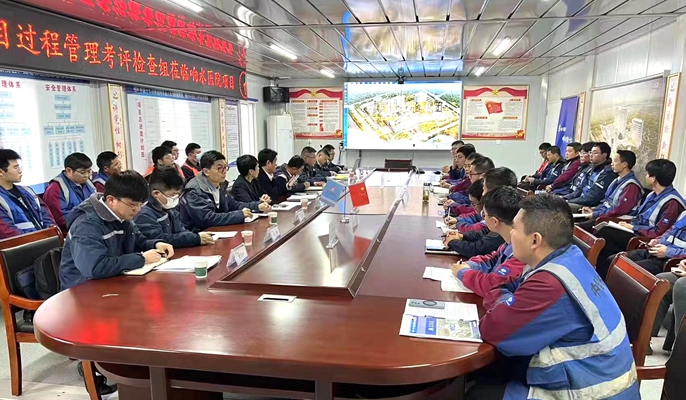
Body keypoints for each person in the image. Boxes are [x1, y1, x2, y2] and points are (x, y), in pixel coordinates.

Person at [466, 194, 638, 400]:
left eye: (515, 228)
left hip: (592, 391)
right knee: (491, 370)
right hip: (594, 375)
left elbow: (492, 330)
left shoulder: (550, 284)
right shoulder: (569, 257)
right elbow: (510, 288)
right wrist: (506, 298)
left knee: (478, 392)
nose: (511, 233)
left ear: (535, 240)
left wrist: (500, 297)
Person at [59, 170, 174, 290]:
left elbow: (138, 241)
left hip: (113, 282)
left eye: (140, 204)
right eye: (133, 205)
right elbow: (94, 268)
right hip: (82, 290)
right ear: (111, 200)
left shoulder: (122, 215)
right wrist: (141, 259)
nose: (137, 209)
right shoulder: (86, 225)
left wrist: (156, 244)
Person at [595, 159, 685, 280]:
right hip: (654, 245)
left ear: (653, 178)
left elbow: (658, 231)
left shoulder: (672, 202)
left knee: (609, 237)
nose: (645, 176)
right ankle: (599, 279)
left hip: (658, 249)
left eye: (647, 173)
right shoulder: (652, 195)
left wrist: (635, 228)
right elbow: (669, 232)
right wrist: (657, 241)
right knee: (609, 245)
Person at [450, 187, 526, 296]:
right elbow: (492, 259)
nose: (483, 219)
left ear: (495, 221)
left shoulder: (522, 253)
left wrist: (463, 273)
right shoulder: (508, 244)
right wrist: (470, 265)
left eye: (484, 215)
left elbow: (493, 285)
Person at [180, 151, 271, 232]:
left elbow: (234, 205)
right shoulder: (194, 191)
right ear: (206, 171)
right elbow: (207, 219)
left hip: (218, 231)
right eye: (220, 168)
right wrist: (239, 215)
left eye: (225, 167)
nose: (224, 171)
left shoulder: (220, 184)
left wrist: (257, 206)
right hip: (198, 236)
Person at [134, 166, 214, 248]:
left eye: (178, 195)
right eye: (173, 195)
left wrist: (196, 236)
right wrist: (195, 239)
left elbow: (180, 231)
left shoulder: (169, 208)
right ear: (156, 193)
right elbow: (159, 239)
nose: (176, 198)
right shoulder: (144, 214)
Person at [577, 150, 643, 232]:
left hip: (615, 220)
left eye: (615, 161)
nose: (612, 164)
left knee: (577, 226)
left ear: (624, 164)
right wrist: (593, 210)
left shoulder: (631, 186)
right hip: (603, 214)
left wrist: (595, 214)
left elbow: (619, 210)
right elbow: (606, 202)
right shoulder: (616, 180)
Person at [442, 180, 505, 258]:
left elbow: (477, 249)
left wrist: (452, 242)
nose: (483, 194)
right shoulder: (497, 224)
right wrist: (462, 236)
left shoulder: (501, 233)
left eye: (484, 215)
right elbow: (483, 232)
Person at [0, 149, 55, 237]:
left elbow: (46, 215)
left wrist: (50, 234)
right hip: (23, 244)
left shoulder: (27, 191)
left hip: (44, 241)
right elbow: (8, 232)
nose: (20, 171)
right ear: (1, 172)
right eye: (15, 167)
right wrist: (37, 239)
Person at [43, 152, 96, 232]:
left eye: (89, 171)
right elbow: (61, 219)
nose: (87, 175)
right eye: (82, 172)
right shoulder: (55, 189)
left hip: (92, 225)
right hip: (73, 230)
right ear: (69, 170)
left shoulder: (88, 183)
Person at [626, 210, 686, 276]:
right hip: (657, 251)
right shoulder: (684, 214)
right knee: (620, 259)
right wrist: (657, 241)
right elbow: (670, 232)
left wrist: (668, 252)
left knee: (629, 270)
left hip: (672, 260)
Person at [565, 142, 617, 212]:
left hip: (590, 206)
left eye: (595, 153)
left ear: (604, 155)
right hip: (580, 200)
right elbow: (580, 189)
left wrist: (569, 201)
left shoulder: (607, 173)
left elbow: (592, 198)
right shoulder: (591, 168)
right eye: (590, 152)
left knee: (559, 207)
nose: (591, 155)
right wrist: (565, 198)